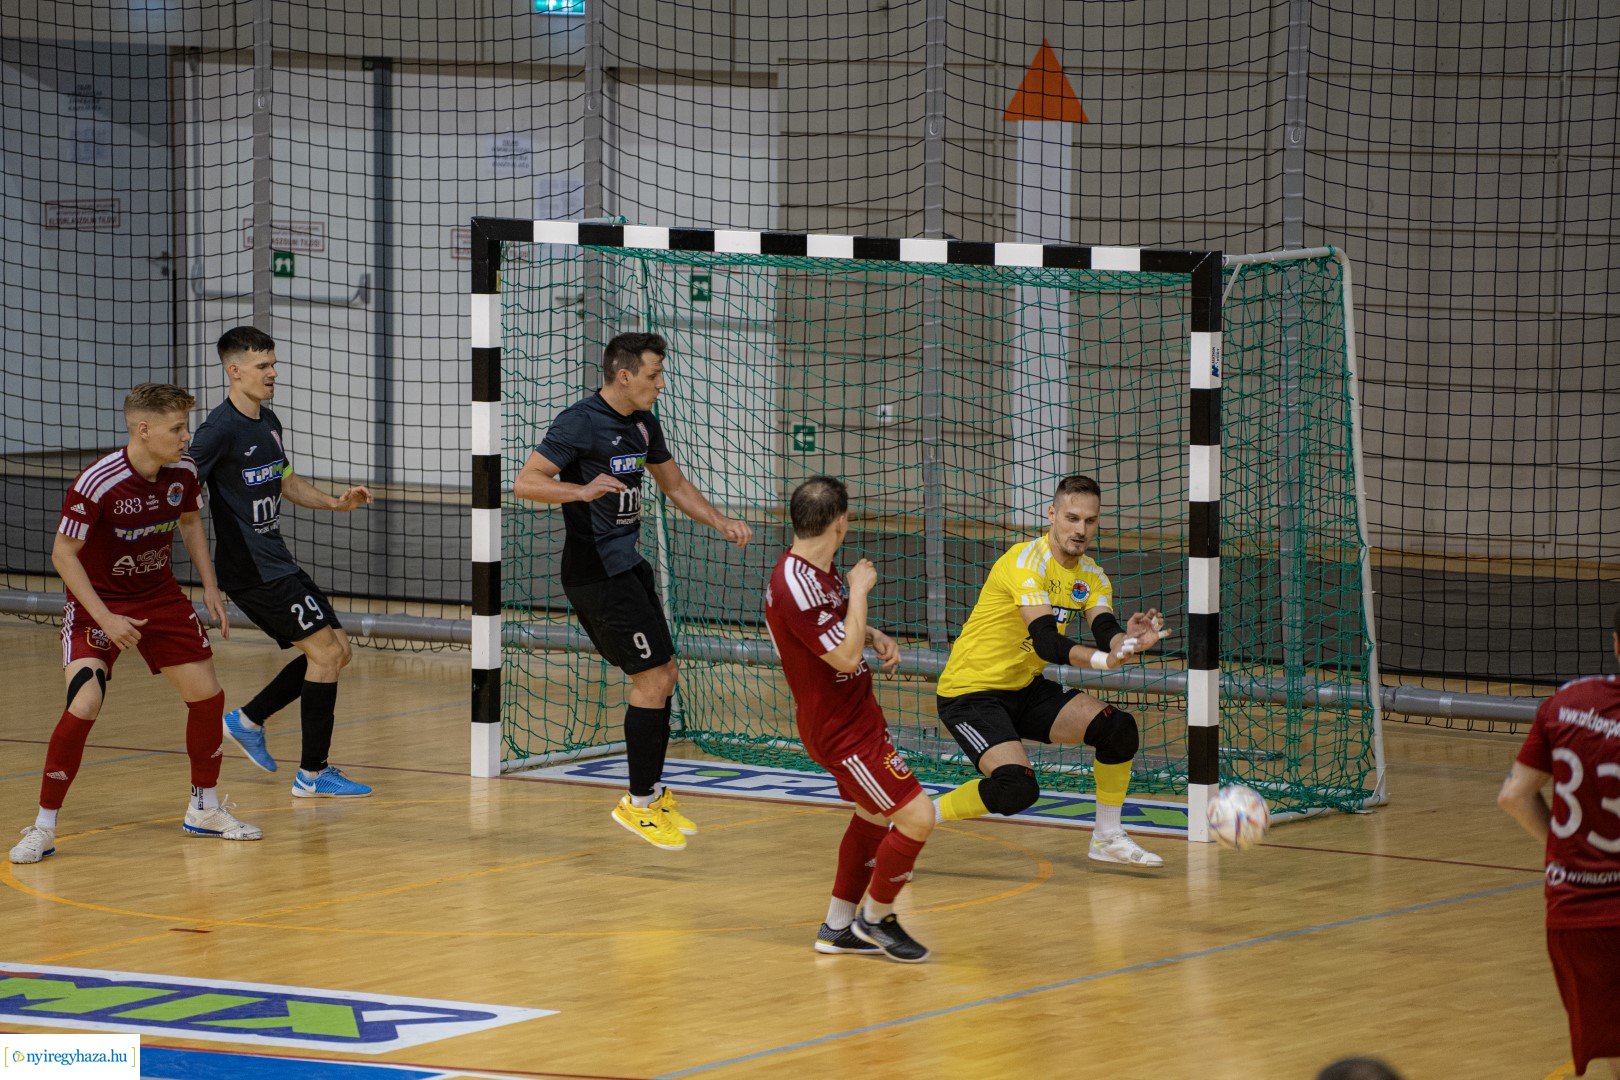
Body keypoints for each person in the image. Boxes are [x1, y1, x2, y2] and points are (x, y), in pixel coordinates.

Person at [513, 332, 752, 850]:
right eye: (653, 375)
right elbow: (526, 482)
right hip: (596, 571)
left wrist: (720, 520)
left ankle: (653, 793)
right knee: (650, 678)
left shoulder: (644, 423)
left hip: (629, 565)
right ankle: (638, 804)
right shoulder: (580, 420)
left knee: (665, 673)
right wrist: (581, 489)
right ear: (624, 375)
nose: (661, 385)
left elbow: (677, 486)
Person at [9, 384, 259, 864]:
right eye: (177, 428)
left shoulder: (183, 472)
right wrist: (106, 618)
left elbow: (189, 524)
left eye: (186, 427)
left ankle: (203, 808)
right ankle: (42, 826)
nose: (187, 438)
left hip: (160, 597)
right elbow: (63, 555)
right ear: (143, 430)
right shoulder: (96, 482)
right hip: (97, 605)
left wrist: (209, 586)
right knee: (85, 703)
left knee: (208, 696)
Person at [930, 474, 1172, 866]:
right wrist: (1103, 661)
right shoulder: (1024, 562)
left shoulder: (1090, 574)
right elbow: (1046, 641)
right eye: (1072, 518)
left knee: (1118, 728)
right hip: (970, 693)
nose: (1080, 530)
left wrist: (1126, 643)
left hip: (1023, 688)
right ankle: (916, 817)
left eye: (1090, 521)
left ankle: (1107, 838)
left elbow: (1105, 628)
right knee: (1016, 789)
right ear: (1052, 514)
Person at [190, 326, 374, 798]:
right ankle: (313, 775)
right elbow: (181, 499)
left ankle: (248, 719)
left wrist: (335, 502)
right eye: (262, 366)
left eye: (273, 364)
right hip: (251, 571)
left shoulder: (267, 421)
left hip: (278, 561)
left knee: (338, 651)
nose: (273, 373)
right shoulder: (217, 431)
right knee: (326, 654)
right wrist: (209, 583)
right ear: (234, 371)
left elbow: (284, 480)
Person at [764, 476, 934, 962]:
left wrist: (873, 632)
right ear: (841, 522)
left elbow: (830, 627)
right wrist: (861, 591)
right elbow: (840, 656)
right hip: (842, 732)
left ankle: (837, 927)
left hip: (855, 716)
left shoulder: (815, 568)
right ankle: (874, 919)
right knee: (919, 817)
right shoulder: (795, 582)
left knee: (874, 816)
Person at [1498, 605, 1620, 1080]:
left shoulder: (1568, 702)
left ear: (1615, 643)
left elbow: (1513, 796)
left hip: (1573, 916)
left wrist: (1563, 851)